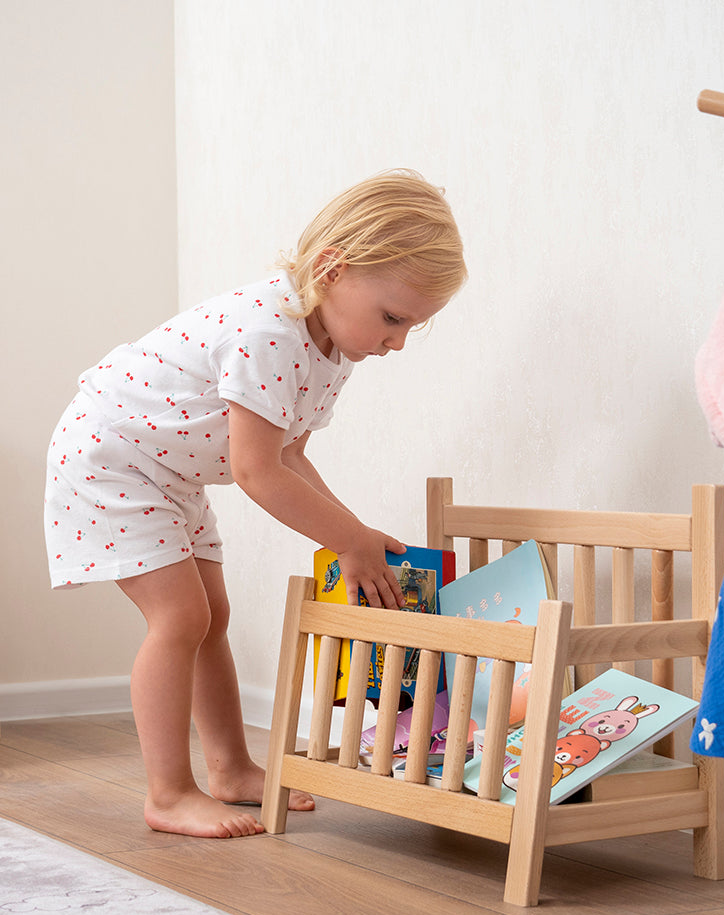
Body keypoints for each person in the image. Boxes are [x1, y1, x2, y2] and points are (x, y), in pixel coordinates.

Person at [43, 169, 467, 838]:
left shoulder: (332, 348)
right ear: (332, 269)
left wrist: (349, 533)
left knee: (213, 616)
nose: (397, 342)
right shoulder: (268, 331)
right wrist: (348, 541)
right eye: (392, 318)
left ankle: (231, 768)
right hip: (112, 453)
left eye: (413, 326)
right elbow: (254, 470)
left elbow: (289, 455)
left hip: (166, 472)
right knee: (180, 618)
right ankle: (168, 792)